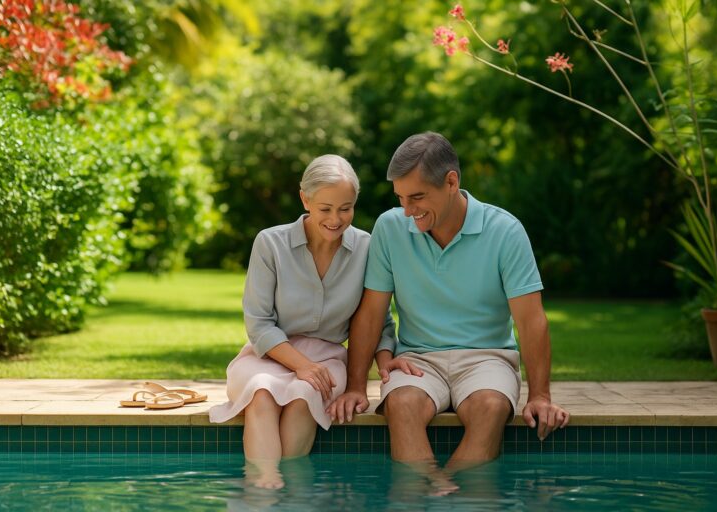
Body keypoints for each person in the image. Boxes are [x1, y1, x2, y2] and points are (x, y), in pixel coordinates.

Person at [328, 132, 569, 485]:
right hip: (418, 359)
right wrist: (354, 386)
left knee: (490, 408)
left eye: (417, 197)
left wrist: (540, 396)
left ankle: (447, 494)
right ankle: (436, 491)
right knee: (402, 405)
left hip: (488, 358)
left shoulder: (505, 231)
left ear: (452, 182)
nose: (408, 211)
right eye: (401, 198)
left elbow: (531, 321)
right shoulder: (390, 228)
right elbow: (371, 313)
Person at [209, 154, 394, 489]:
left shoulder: (368, 248)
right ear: (304, 199)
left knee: (303, 396)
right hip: (268, 356)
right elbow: (259, 323)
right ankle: (265, 485)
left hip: (329, 360)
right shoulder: (270, 243)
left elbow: (379, 323)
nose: (336, 219)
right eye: (325, 208)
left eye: (346, 208)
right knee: (262, 393)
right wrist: (301, 365)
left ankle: (291, 492)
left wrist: (386, 367)